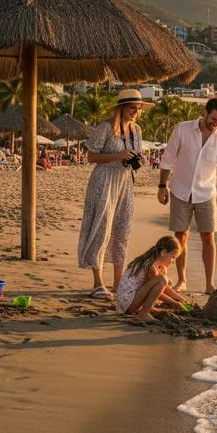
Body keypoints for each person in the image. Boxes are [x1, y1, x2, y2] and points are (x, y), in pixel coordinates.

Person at [157, 97, 217, 294]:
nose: (216, 124)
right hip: (180, 190)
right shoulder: (182, 129)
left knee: (208, 238)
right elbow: (167, 159)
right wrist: (162, 186)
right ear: (204, 112)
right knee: (180, 237)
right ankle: (182, 280)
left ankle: (209, 284)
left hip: (206, 193)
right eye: (213, 119)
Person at [78, 88, 151, 300]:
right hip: (104, 179)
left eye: (138, 108)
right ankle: (98, 283)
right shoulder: (105, 128)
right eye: (132, 108)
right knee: (102, 228)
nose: (136, 111)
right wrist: (117, 155)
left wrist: (137, 160)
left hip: (125, 180)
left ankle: (118, 283)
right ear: (121, 108)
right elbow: (91, 156)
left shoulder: (136, 130)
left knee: (122, 229)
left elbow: (138, 155)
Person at [116, 235, 188, 322]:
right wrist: (174, 303)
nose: (173, 261)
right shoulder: (151, 266)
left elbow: (163, 288)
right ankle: (144, 313)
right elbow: (159, 291)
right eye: (173, 257)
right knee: (163, 279)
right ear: (164, 253)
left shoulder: (158, 265)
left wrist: (179, 298)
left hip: (129, 302)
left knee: (163, 279)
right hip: (128, 303)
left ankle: (148, 308)